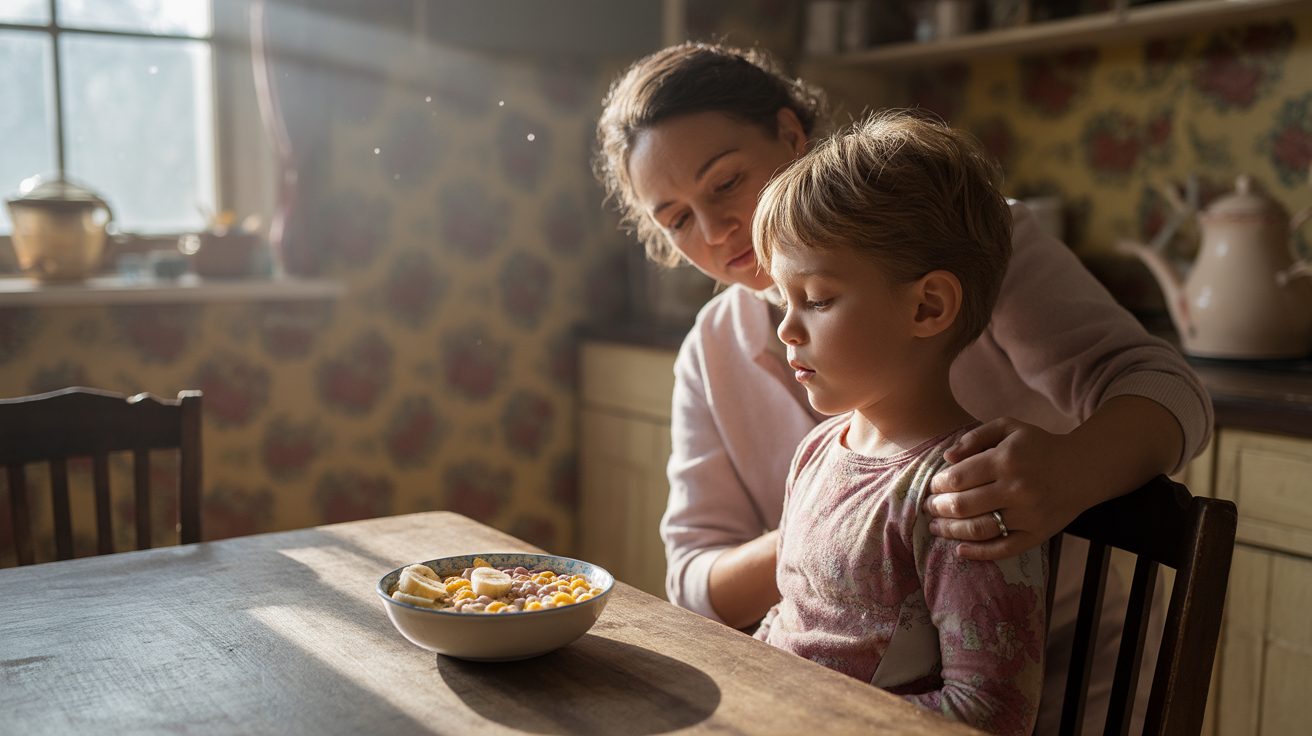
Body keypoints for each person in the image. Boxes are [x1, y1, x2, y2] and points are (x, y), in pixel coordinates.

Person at [592, 42, 1212, 733]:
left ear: (792, 135)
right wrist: (849, 526)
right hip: (828, 704)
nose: (713, 232)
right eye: (675, 218)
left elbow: (1164, 385)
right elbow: (695, 584)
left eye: (726, 182)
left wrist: (1070, 468)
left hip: (1068, 689)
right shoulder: (714, 348)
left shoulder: (962, 246)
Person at [750, 110, 1042, 735]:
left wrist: (805, 722)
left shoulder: (960, 492)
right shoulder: (819, 451)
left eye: (818, 299)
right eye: (783, 300)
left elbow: (992, 713)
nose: (786, 328)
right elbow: (793, 620)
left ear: (928, 306)